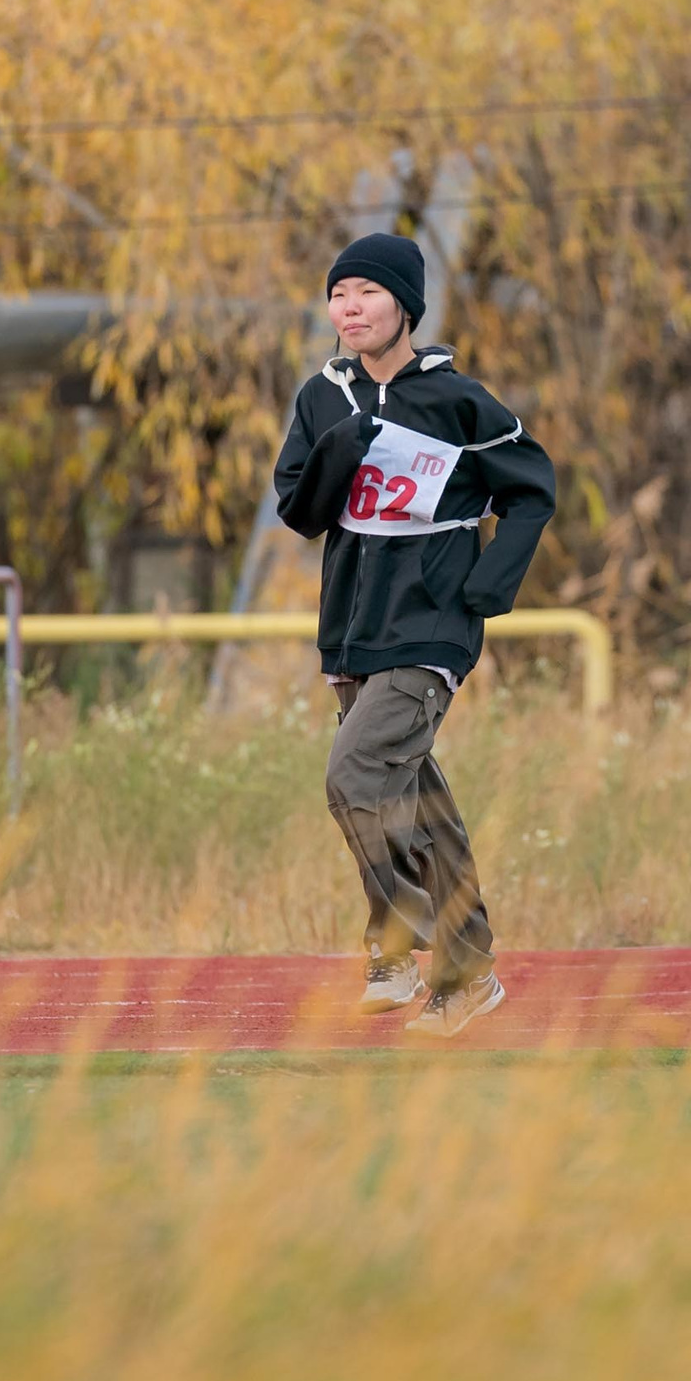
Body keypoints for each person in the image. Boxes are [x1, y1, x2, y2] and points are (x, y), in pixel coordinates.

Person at [273, 232, 558, 1038]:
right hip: (352, 634)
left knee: (354, 774)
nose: (350, 307)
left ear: (405, 305)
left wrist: (485, 585)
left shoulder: (459, 399)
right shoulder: (323, 397)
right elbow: (300, 512)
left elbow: (533, 489)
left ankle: (396, 946)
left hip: (432, 625)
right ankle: (468, 973)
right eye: (339, 294)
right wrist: (342, 443)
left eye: (366, 291)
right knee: (418, 804)